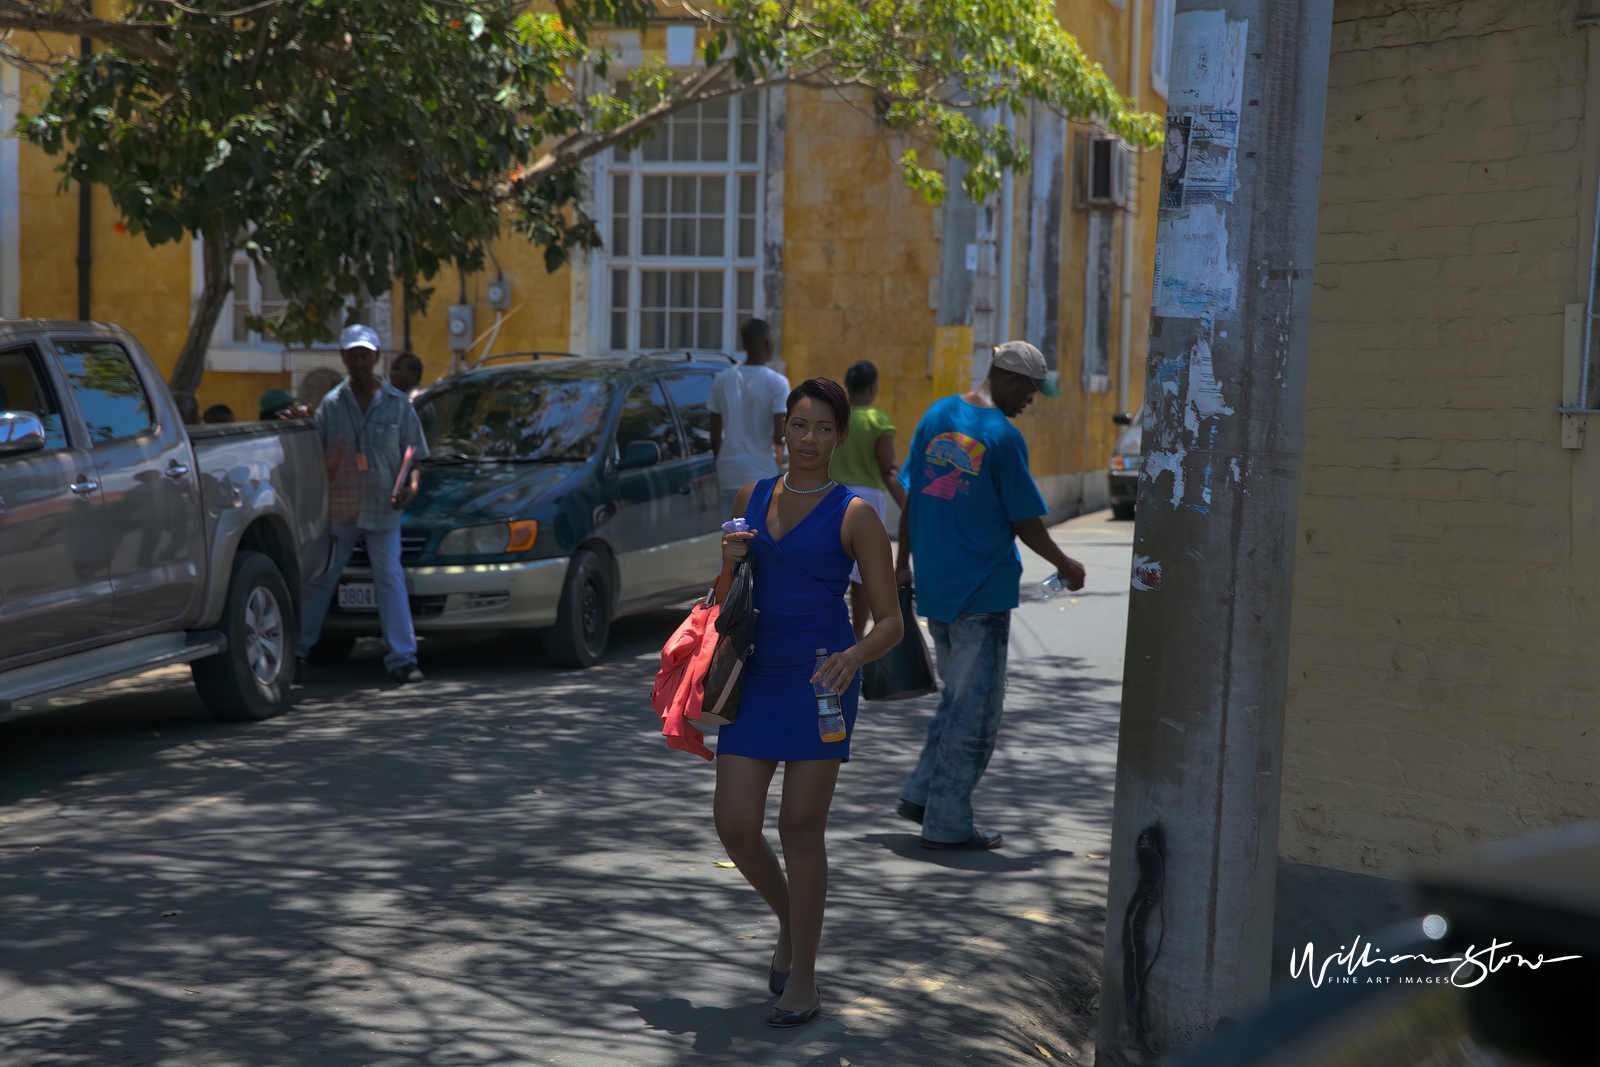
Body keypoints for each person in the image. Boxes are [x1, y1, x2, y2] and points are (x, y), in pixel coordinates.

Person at [713, 377, 903, 1029]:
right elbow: (721, 601)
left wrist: (854, 657)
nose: (809, 439)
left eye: (824, 428)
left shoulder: (856, 513)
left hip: (823, 680)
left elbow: (890, 621)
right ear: (782, 431)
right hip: (756, 674)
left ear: (841, 437)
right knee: (735, 823)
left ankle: (804, 976)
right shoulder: (751, 497)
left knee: (800, 827)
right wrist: (729, 560)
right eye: (799, 425)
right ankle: (789, 919)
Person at [894, 341, 1087, 850]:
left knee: (956, 702)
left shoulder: (937, 414)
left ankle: (921, 795)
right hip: (981, 591)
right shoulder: (1002, 437)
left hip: (937, 589)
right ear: (1008, 378)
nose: (1030, 400)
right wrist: (1064, 564)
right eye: (1029, 389)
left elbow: (912, 497)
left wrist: (901, 564)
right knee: (975, 716)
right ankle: (947, 821)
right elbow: (1025, 520)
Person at [295, 324, 430, 684]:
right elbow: (316, 452)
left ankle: (402, 658)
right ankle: (296, 650)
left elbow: (415, 458)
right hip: (340, 509)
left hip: (383, 509)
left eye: (365, 355)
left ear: (376, 356)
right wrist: (304, 423)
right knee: (321, 579)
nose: (359, 361)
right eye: (352, 355)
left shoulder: (399, 405)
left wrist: (411, 488)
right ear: (343, 357)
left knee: (390, 579)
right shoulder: (332, 405)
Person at [828, 359, 910, 638]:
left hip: (832, 498)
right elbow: (889, 469)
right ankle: (858, 637)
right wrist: (910, 507)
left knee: (831, 567)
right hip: (868, 503)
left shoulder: (837, 417)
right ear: (874, 386)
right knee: (863, 577)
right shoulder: (877, 420)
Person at [709, 318, 790, 518]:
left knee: (733, 539)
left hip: (729, 472)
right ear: (768, 345)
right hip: (761, 472)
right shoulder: (777, 382)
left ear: (743, 344)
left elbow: (714, 431)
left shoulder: (722, 379)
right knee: (762, 538)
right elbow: (779, 434)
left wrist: (721, 462)